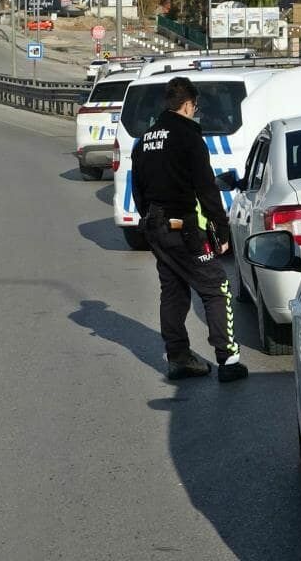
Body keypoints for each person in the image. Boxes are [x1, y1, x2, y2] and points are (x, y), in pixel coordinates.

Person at [130, 77, 248, 383]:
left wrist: (151, 220)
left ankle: (179, 357)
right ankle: (229, 359)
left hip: (156, 226)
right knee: (216, 288)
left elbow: (138, 189)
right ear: (188, 104)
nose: (194, 112)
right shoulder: (188, 136)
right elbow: (206, 188)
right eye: (194, 107)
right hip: (184, 228)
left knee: (173, 290)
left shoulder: (146, 139)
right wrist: (221, 231)